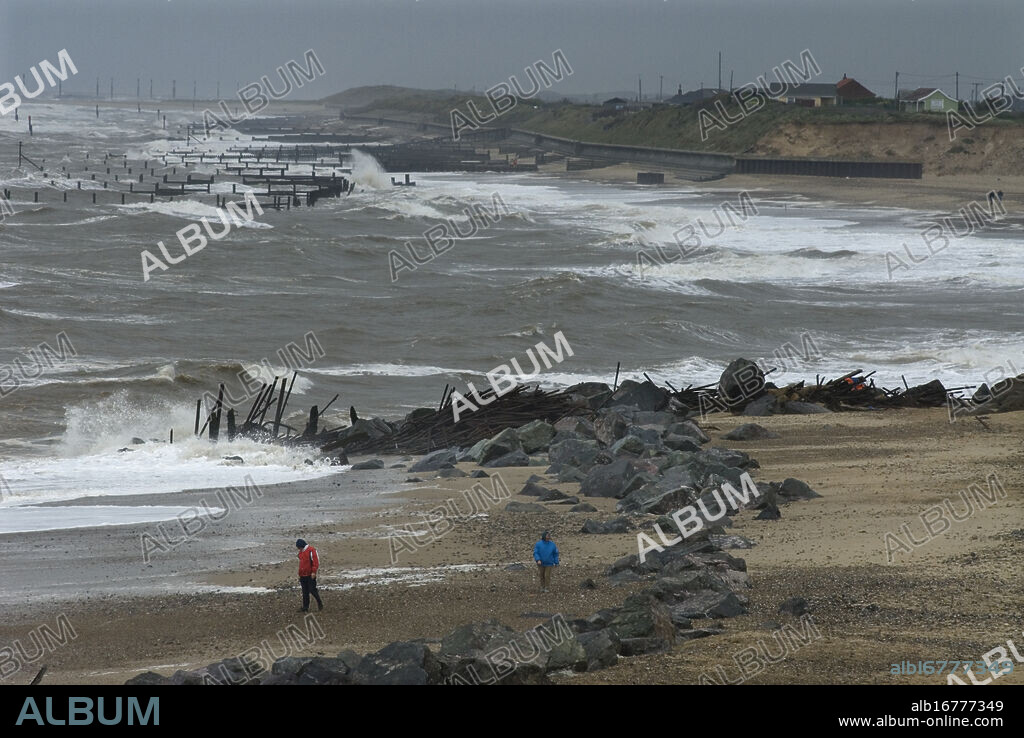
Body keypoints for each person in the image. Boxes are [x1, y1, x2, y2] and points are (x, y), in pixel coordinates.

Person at [295, 538, 323, 612]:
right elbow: (301, 564)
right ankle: (305, 607)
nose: (298, 549)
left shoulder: (311, 550)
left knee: (312, 590)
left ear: (301, 546)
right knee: (304, 592)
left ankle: (319, 602)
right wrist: (300, 574)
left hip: (310, 575)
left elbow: (316, 562)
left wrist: (314, 572)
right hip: (303, 575)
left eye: (298, 547)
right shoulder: (301, 552)